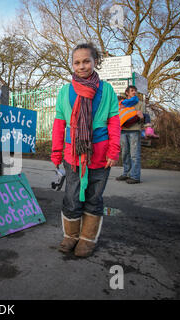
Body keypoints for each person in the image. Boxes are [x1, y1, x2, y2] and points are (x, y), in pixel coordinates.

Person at [51, 43, 121, 258]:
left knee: (94, 197)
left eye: (86, 61)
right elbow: (59, 123)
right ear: (72, 64)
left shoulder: (106, 89)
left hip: (100, 155)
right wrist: (56, 152)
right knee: (71, 196)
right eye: (77, 62)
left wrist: (113, 151)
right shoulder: (65, 90)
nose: (81, 66)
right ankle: (71, 235)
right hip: (73, 154)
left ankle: (87, 238)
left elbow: (113, 122)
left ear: (95, 61)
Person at [116, 85, 145, 184]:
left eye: (135, 91)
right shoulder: (122, 104)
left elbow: (143, 120)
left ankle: (135, 176)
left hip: (134, 131)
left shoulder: (140, 104)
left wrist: (141, 117)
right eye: (132, 90)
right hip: (123, 131)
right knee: (125, 154)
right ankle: (126, 173)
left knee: (134, 154)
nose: (134, 92)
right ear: (127, 93)